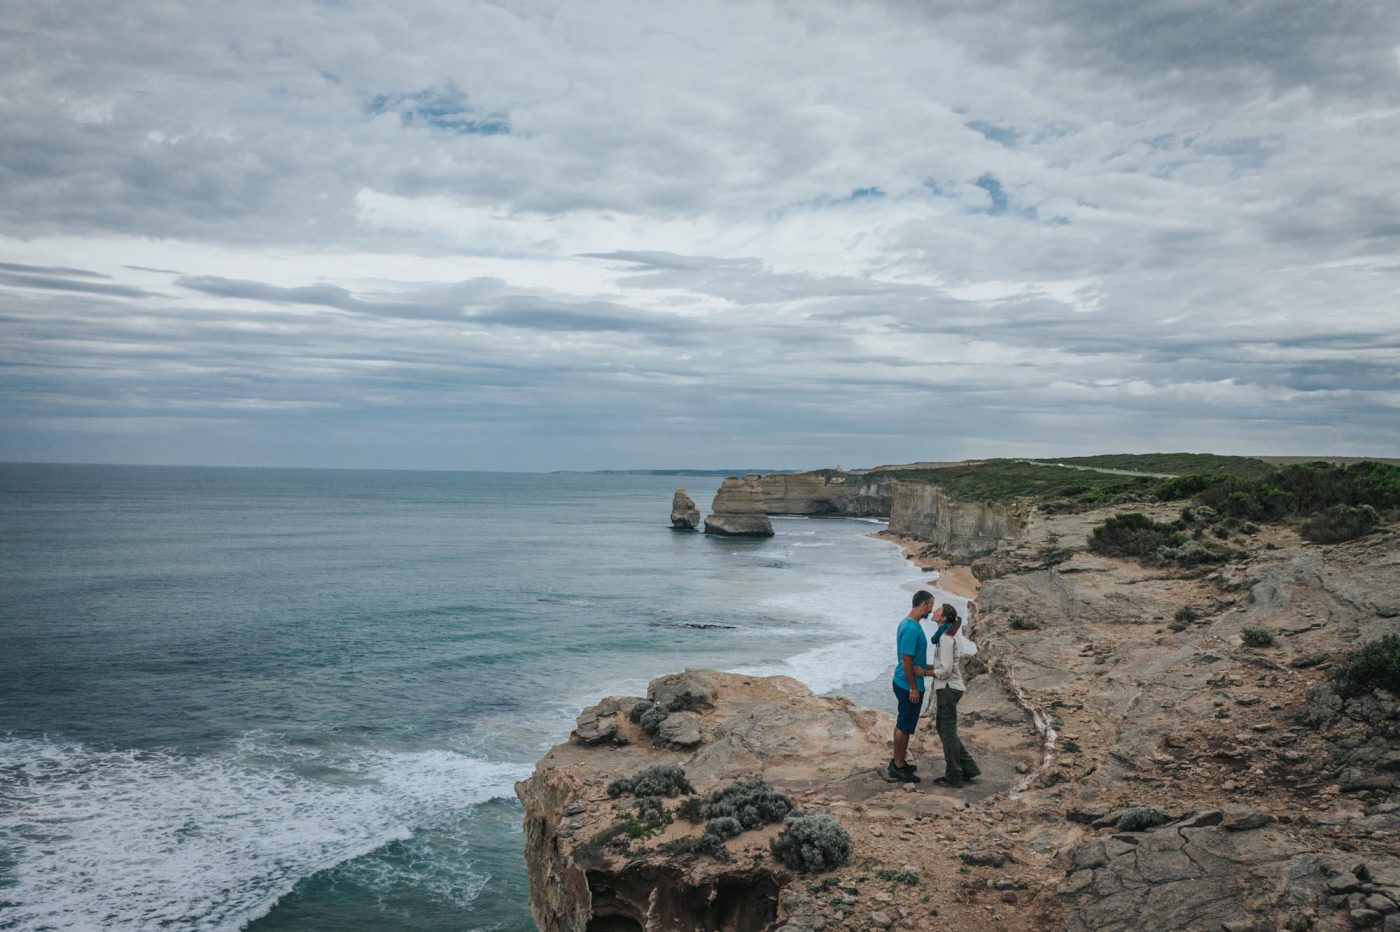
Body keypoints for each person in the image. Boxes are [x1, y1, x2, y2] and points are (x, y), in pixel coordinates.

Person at [930, 603, 981, 788]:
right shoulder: (951, 634)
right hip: (953, 687)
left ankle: (954, 776)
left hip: (948, 688)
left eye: (938, 610)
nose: (934, 611)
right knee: (945, 729)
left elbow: (945, 670)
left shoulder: (945, 638)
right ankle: (969, 768)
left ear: (943, 618)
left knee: (947, 732)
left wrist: (925, 673)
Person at [889, 590, 936, 783]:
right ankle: (897, 765)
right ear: (923, 605)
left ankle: (899, 761)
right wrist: (913, 688)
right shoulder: (911, 628)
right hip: (907, 684)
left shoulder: (909, 624)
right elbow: (906, 659)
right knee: (903, 725)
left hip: (906, 681)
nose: (932, 610)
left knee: (906, 724)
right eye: (931, 605)